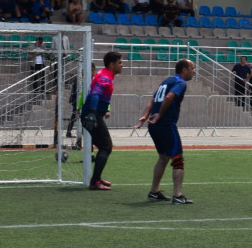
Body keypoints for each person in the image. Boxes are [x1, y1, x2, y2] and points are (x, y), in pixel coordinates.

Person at [135, 59, 197, 204]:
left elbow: (152, 99)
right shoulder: (180, 83)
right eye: (192, 68)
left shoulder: (167, 81)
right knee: (178, 158)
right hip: (166, 125)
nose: (194, 71)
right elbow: (169, 97)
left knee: (163, 157)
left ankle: (154, 192)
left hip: (154, 126)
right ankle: (178, 196)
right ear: (184, 70)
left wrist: (145, 116)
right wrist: (160, 115)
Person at [81, 51, 123, 190]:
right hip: (92, 116)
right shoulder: (105, 77)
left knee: (104, 146)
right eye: (119, 63)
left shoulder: (105, 74)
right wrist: (93, 113)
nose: (122, 65)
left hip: (92, 115)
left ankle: (97, 178)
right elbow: (95, 94)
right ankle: (95, 182)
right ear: (111, 65)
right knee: (106, 147)